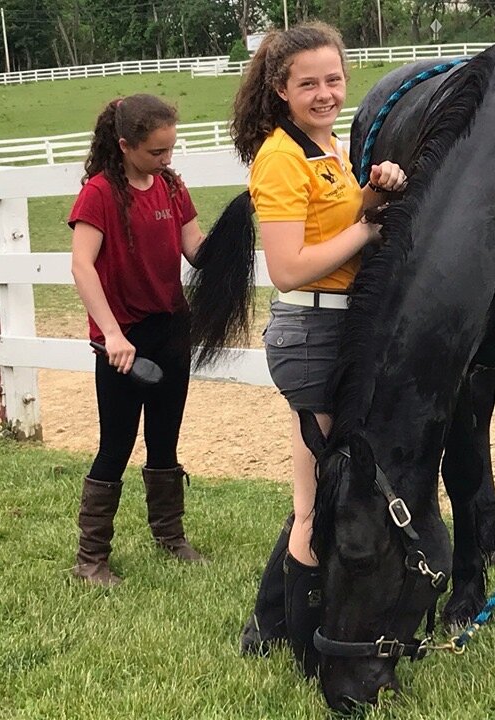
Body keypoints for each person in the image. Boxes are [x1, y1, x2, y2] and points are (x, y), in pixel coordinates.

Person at [226, 23, 406, 676]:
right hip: (311, 335)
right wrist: (366, 227)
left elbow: (340, 223)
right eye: (309, 84)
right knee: (314, 504)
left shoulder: (326, 146)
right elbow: (289, 266)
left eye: (334, 79)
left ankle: (269, 626)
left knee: (321, 488)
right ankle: (305, 649)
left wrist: (374, 194)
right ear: (281, 90)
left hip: (338, 328)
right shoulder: (279, 156)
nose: (326, 93)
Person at [68, 93, 208, 587]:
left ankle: (169, 536)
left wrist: (234, 230)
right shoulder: (100, 194)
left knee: (164, 438)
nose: (166, 160)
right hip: (123, 338)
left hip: (171, 328)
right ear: (125, 145)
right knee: (116, 444)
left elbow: (195, 250)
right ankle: (91, 560)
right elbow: (81, 265)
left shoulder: (171, 186)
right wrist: (110, 334)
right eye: (156, 152)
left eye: (171, 150)